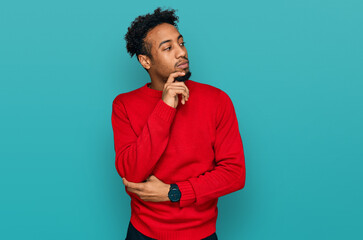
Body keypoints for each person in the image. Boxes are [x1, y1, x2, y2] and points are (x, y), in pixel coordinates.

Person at [111, 7, 246, 240]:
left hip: (200, 234)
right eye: (168, 48)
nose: (181, 53)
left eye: (181, 43)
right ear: (145, 61)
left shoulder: (217, 100)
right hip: (143, 233)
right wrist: (165, 107)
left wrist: (173, 193)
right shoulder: (124, 105)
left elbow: (234, 174)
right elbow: (132, 173)